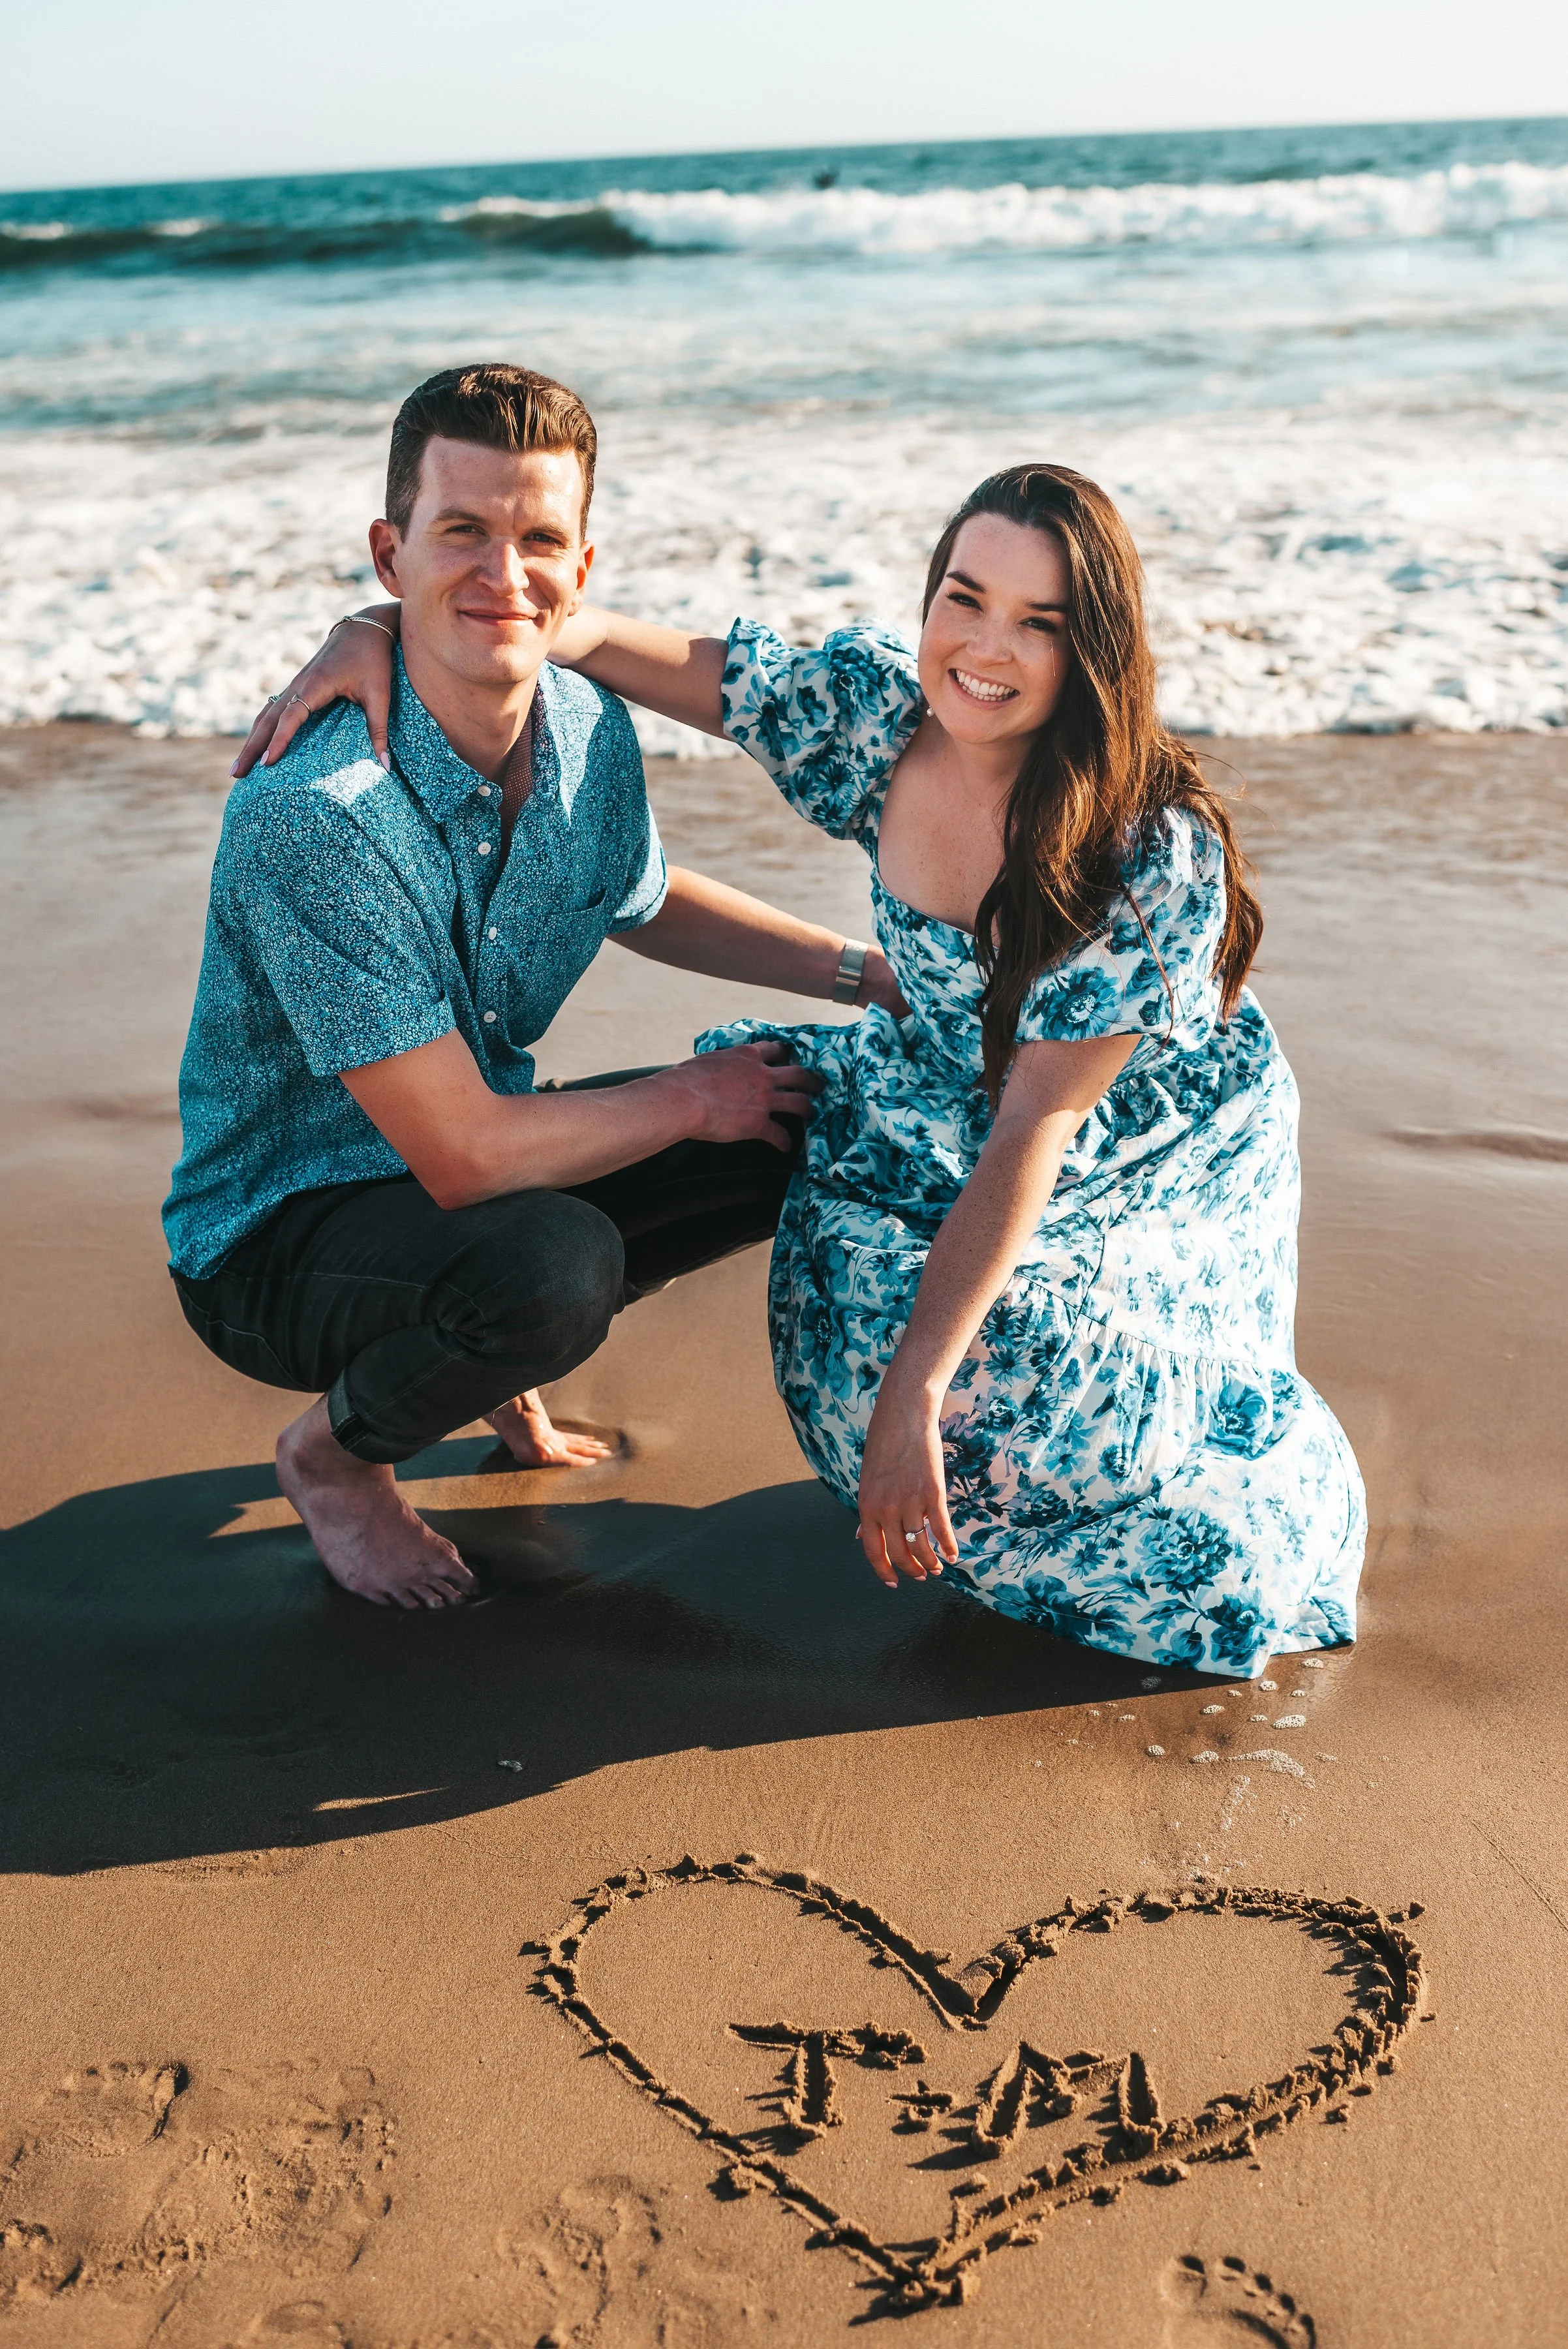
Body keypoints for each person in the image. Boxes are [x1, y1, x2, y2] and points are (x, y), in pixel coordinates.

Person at [245, 461, 1366, 1678]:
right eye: (963, 596)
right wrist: (371, 621)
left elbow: (1037, 1128)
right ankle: (492, 1358)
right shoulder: (879, 716)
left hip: (1139, 1133)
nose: (984, 648)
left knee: (1037, 1381)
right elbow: (569, 622)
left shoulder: (1141, 854)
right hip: (940, 1078)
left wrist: (916, 1398)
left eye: (1039, 623)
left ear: (1093, 649)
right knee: (777, 1167)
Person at [166, 362, 909, 1612]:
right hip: (273, 1242)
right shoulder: (319, 815)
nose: (502, 574)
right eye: (461, 532)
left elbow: (645, 896)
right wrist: (681, 1099)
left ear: (582, 564)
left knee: (796, 1106)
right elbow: (460, 1157)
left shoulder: (584, 729)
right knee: (553, 1266)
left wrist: (863, 975)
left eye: (538, 538)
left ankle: (469, 1343)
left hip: (455, 1174)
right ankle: (336, 1458)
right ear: (390, 550)